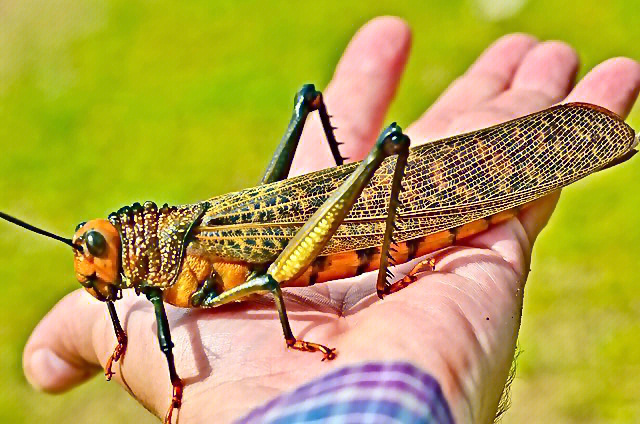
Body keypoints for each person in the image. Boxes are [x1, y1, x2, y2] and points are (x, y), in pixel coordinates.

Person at [23, 16, 640, 423]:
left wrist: (292, 340)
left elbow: (267, 281)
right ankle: (364, 179)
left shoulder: (172, 269)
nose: (99, 280)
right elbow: (135, 300)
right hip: (296, 233)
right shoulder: (146, 279)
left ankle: (373, 186)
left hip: (326, 238)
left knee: (338, 143)